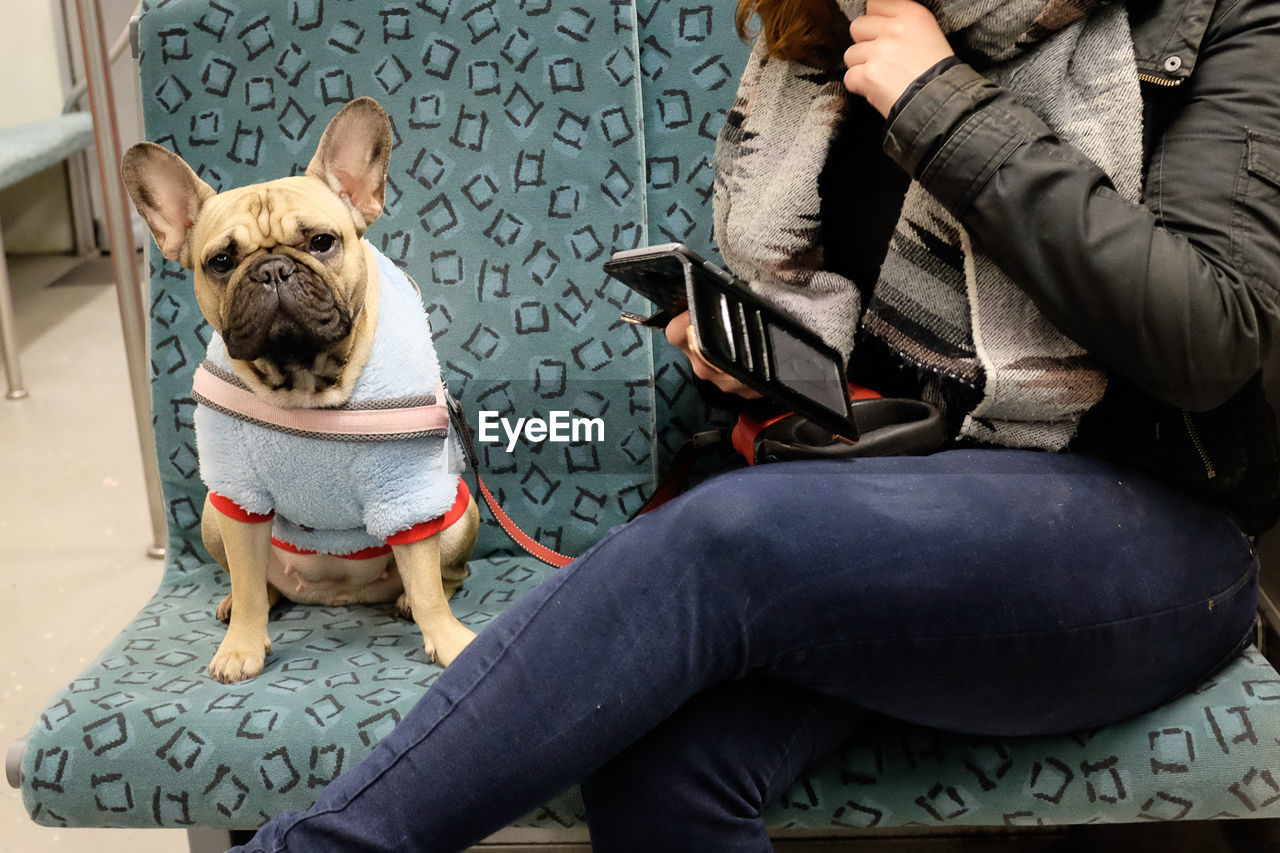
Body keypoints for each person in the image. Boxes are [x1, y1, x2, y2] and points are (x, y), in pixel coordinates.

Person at [231, 0, 1280, 849]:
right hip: (902, 507)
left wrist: (940, 107)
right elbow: (895, 347)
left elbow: (1205, 334)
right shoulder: (823, 42)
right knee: (654, 759)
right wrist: (763, 355)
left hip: (1150, 534)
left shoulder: (1205, 16)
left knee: (725, 538)